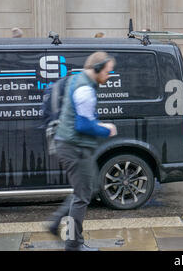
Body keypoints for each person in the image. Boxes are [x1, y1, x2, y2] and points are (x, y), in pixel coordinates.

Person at [46, 51, 118, 251]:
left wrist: (97, 124)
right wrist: (106, 129)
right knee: (82, 197)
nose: (109, 75)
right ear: (96, 69)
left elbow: (82, 118)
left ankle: (54, 224)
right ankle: (73, 244)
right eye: (107, 71)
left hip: (72, 145)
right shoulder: (85, 88)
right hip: (74, 147)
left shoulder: (78, 79)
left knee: (85, 189)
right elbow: (83, 125)